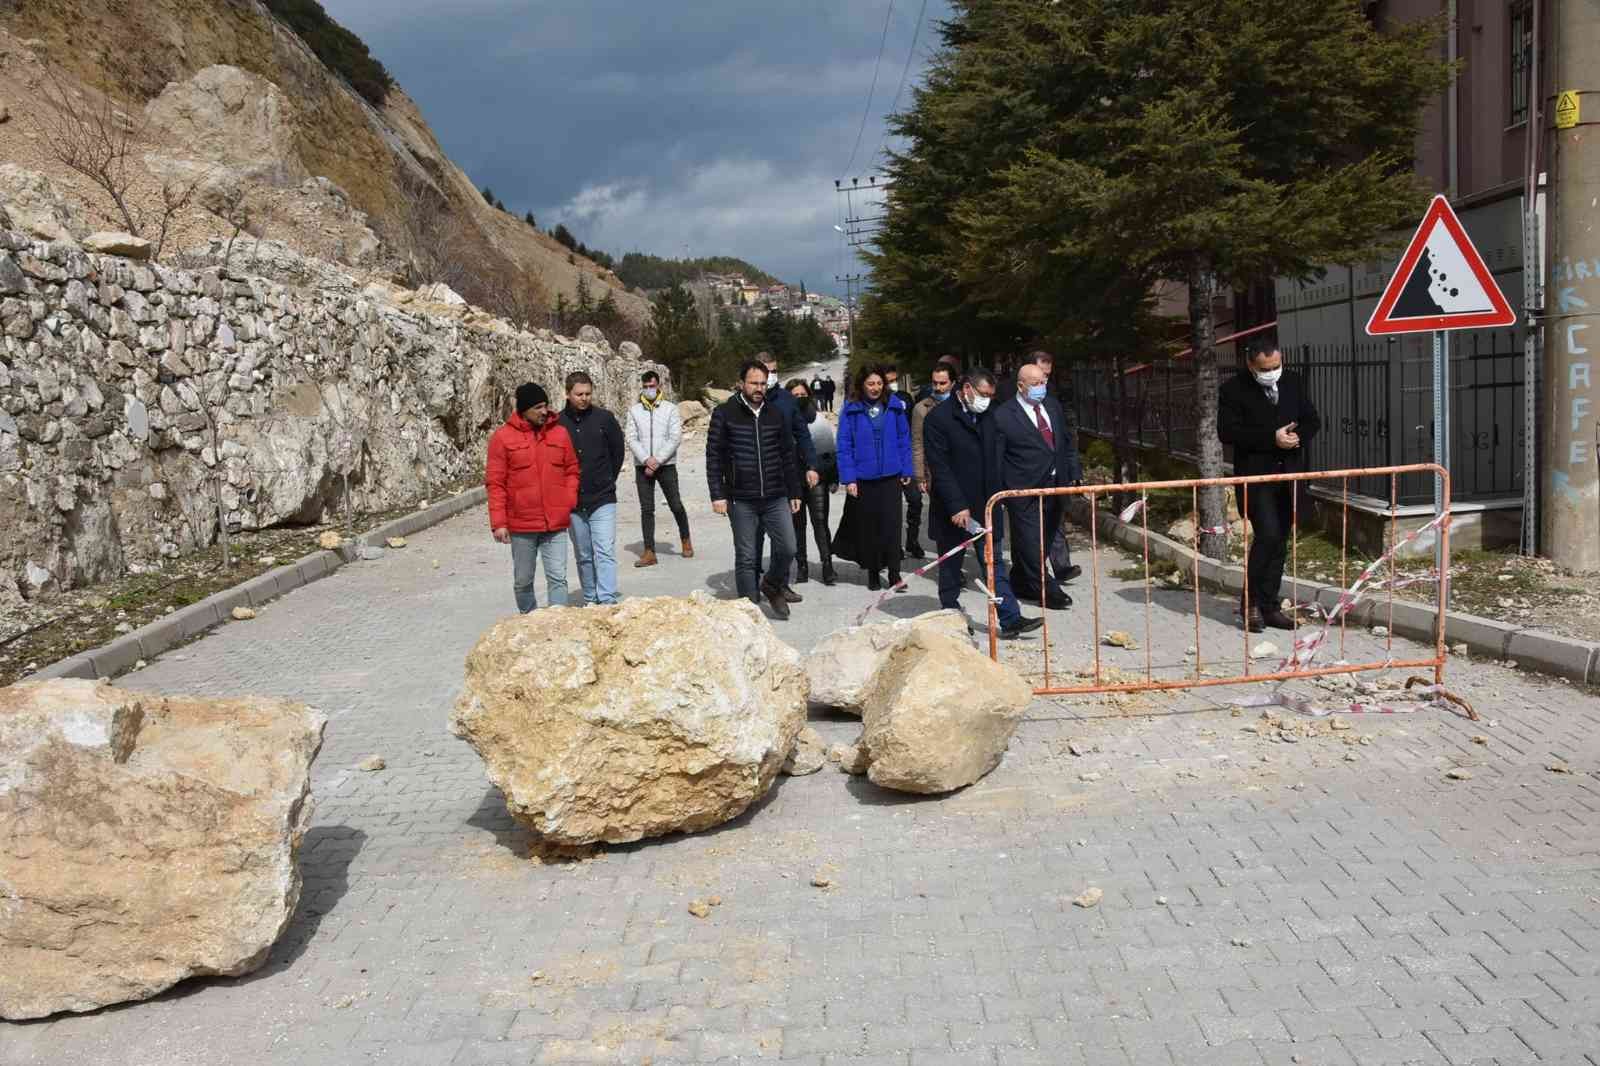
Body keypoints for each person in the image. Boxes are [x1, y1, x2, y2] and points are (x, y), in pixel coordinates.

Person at [923, 368, 1041, 638]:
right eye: (983, 394)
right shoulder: (938, 420)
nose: (986, 399)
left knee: (994, 563)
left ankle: (1010, 619)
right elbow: (940, 468)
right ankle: (951, 617)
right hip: (954, 509)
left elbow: (998, 458)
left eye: (990, 395)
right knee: (951, 567)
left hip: (987, 505)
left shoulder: (989, 416)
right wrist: (956, 506)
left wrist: (1001, 495)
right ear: (966, 389)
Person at [1218, 346, 1322, 631]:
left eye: (1275, 365)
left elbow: (1312, 420)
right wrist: (1270, 438)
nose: (1271, 372)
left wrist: (1296, 437)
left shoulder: (1292, 381)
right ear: (1251, 365)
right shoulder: (1233, 389)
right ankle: (1249, 603)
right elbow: (1227, 432)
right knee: (1267, 535)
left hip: (1287, 475)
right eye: (1264, 368)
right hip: (1256, 476)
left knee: (1280, 540)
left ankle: (1270, 605)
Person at [706, 361, 804, 619]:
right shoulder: (724, 413)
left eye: (763, 383)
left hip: (775, 495)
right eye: (754, 383)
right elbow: (713, 456)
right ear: (741, 384)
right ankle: (749, 614)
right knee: (747, 557)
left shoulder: (775, 414)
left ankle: (771, 585)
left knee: (788, 548)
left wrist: (794, 491)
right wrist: (717, 494)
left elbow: (787, 454)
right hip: (741, 499)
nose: (759, 388)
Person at [988, 362, 1082, 609]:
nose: (1042, 388)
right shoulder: (1003, 415)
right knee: (1030, 540)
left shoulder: (1051, 405)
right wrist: (1000, 492)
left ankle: (1020, 581)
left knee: (1047, 537)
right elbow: (997, 458)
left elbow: (1065, 442)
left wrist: (1073, 472)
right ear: (1021, 386)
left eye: (1044, 382)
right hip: (1023, 490)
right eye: (1035, 384)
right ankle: (1046, 589)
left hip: (1055, 485)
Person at [485, 383, 579, 613]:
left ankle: (556, 628)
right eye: (538, 407)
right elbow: (495, 484)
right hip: (522, 525)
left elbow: (572, 470)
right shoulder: (502, 438)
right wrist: (499, 523)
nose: (544, 411)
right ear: (524, 409)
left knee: (558, 578)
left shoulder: (560, 433)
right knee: (523, 581)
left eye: (545, 406)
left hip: (555, 524)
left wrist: (568, 500)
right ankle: (529, 624)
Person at [832, 366, 914, 591]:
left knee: (892, 525)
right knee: (870, 528)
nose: (875, 388)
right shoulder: (852, 409)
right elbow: (844, 446)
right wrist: (849, 479)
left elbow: (904, 440)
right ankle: (874, 572)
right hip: (864, 478)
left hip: (891, 476)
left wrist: (907, 470)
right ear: (862, 385)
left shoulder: (895, 406)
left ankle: (895, 573)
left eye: (879, 383)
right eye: (871, 384)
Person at [749, 353, 818, 602]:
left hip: (784, 476)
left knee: (785, 536)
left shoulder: (787, 400)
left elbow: (803, 434)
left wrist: (811, 464)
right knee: (753, 538)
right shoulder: (747, 402)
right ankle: (752, 587)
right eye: (766, 371)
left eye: (775, 370)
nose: (771, 375)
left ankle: (780, 583)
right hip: (753, 480)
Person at [559, 371, 626, 605]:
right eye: (579, 394)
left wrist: (607, 478)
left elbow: (618, 452)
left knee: (605, 550)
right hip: (573, 502)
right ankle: (590, 597)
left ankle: (607, 599)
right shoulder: (557, 424)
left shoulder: (605, 419)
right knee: (584, 554)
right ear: (567, 394)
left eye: (588, 393)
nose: (584, 398)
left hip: (602, 498)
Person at [625, 370, 692, 568]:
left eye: (651, 386)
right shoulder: (634, 411)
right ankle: (649, 551)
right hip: (642, 466)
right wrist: (646, 459)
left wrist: (658, 460)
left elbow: (675, 437)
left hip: (666, 465)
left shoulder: (670, 409)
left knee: (676, 504)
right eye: (645, 387)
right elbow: (631, 437)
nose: (648, 390)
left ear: (658, 385)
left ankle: (685, 538)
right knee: (647, 509)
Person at [787, 378, 837, 585]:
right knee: (798, 525)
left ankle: (827, 565)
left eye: (802, 394)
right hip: (793, 481)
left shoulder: (819, 421)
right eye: (794, 395)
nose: (799, 398)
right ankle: (802, 567)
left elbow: (830, 451)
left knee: (820, 522)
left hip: (818, 478)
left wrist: (833, 477)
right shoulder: (781, 420)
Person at [881, 364, 925, 559]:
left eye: (894, 380)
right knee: (892, 508)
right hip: (888, 462)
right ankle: (894, 546)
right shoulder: (877, 402)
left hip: (906, 459)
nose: (892, 384)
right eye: (888, 381)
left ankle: (912, 540)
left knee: (915, 501)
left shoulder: (906, 399)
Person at [910, 363, 954, 500]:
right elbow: (917, 443)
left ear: (952, 383)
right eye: (935, 383)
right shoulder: (921, 408)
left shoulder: (962, 405)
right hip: (934, 473)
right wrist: (920, 476)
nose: (938, 388)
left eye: (943, 383)